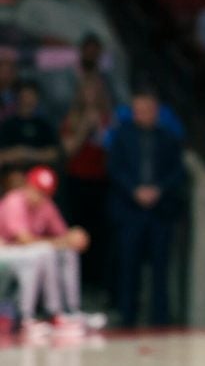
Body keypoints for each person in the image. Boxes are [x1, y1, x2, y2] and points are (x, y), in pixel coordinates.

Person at [107, 87, 185, 327]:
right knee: (128, 265)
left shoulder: (168, 137)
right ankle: (127, 317)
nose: (144, 114)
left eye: (148, 110)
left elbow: (177, 172)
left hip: (160, 211)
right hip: (130, 210)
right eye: (139, 110)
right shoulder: (121, 136)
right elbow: (114, 169)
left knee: (161, 268)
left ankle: (160, 319)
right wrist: (134, 191)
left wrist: (158, 190)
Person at [0, 166, 95, 336]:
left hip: (27, 254)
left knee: (66, 252)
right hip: (6, 251)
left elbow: (64, 235)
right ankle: (32, 316)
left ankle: (70, 310)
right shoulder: (14, 200)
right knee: (44, 251)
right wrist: (61, 242)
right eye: (37, 191)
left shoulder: (45, 204)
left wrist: (74, 238)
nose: (40, 196)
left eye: (45, 193)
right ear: (28, 186)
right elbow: (24, 239)